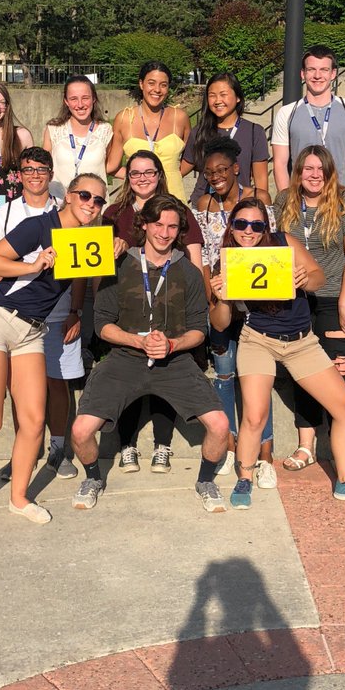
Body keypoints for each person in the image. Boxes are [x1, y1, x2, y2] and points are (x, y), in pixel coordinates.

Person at [0, 174, 109, 536]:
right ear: (68, 198)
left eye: (98, 200)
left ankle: (19, 498)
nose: (91, 204)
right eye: (85, 196)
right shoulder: (39, 226)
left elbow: (93, 271)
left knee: (33, 421)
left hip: (32, 330)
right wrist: (33, 265)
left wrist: (120, 245)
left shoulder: (84, 239)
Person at [209, 199, 345, 510]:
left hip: (301, 341)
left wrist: (304, 278)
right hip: (257, 340)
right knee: (254, 414)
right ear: (231, 226)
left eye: (257, 225)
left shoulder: (283, 243)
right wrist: (222, 299)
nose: (248, 231)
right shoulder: (226, 261)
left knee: (344, 406)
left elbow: (318, 276)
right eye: (241, 224)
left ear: (267, 228)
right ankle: (245, 476)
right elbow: (220, 323)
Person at [71, 196, 231, 513]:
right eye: (158, 224)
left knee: (220, 425)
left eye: (172, 226)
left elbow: (200, 329)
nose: (164, 232)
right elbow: (102, 324)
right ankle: (93, 478)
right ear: (144, 224)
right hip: (124, 359)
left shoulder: (188, 270)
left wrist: (171, 345)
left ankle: (205, 481)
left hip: (174, 360)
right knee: (79, 431)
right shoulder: (119, 265)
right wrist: (136, 341)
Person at [0, 147, 84, 480]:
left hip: (58, 313)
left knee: (58, 384)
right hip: (16, 314)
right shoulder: (4, 214)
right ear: (18, 175)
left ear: (51, 174)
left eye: (42, 169)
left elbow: (82, 268)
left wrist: (76, 310)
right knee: (19, 389)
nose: (35, 175)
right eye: (28, 169)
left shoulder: (70, 211)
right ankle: (24, 452)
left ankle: (57, 448)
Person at [102, 150, 205, 474]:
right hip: (126, 308)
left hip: (170, 307)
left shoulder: (175, 210)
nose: (143, 178)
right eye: (135, 173)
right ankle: (127, 444)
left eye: (149, 172)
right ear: (127, 177)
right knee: (127, 379)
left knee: (165, 369)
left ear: (160, 174)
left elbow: (194, 258)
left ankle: (163, 446)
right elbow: (96, 265)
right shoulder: (113, 212)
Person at [275, 145, 345, 472]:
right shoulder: (284, 202)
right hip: (297, 300)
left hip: (337, 297)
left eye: (321, 169)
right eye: (307, 169)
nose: (314, 175)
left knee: (340, 371)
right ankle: (307, 446)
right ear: (298, 172)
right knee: (303, 372)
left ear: (331, 172)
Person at [193, 137, 275, 485]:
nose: (216, 176)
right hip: (222, 297)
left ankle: (265, 454)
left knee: (257, 379)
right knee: (224, 375)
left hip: (258, 302)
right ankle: (228, 446)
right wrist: (211, 287)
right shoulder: (203, 203)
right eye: (210, 172)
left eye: (223, 170)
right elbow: (203, 253)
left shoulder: (258, 199)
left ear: (236, 169)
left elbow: (271, 245)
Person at [271, 45, 345, 193]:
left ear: (333, 74)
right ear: (303, 74)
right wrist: (287, 200)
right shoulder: (286, 113)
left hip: (339, 196)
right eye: (311, 70)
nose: (317, 76)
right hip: (300, 199)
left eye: (324, 70)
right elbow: (279, 163)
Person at [181, 72, 270, 204]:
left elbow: (261, 180)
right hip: (204, 206)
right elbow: (180, 170)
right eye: (212, 96)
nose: (217, 101)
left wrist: (260, 210)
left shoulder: (254, 132)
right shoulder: (199, 132)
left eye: (223, 95)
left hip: (240, 207)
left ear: (238, 97)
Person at [112, 61, 191, 202]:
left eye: (163, 85)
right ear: (141, 84)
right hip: (137, 200)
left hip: (173, 198)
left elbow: (191, 157)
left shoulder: (179, 118)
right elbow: (112, 166)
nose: (157, 89)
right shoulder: (124, 119)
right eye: (151, 83)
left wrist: (171, 174)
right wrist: (138, 176)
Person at [42, 75, 120, 199]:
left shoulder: (105, 130)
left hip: (93, 205)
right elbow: (44, 167)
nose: (80, 104)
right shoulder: (53, 129)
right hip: (60, 204)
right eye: (73, 99)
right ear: (66, 101)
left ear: (94, 99)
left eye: (85, 98)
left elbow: (109, 166)